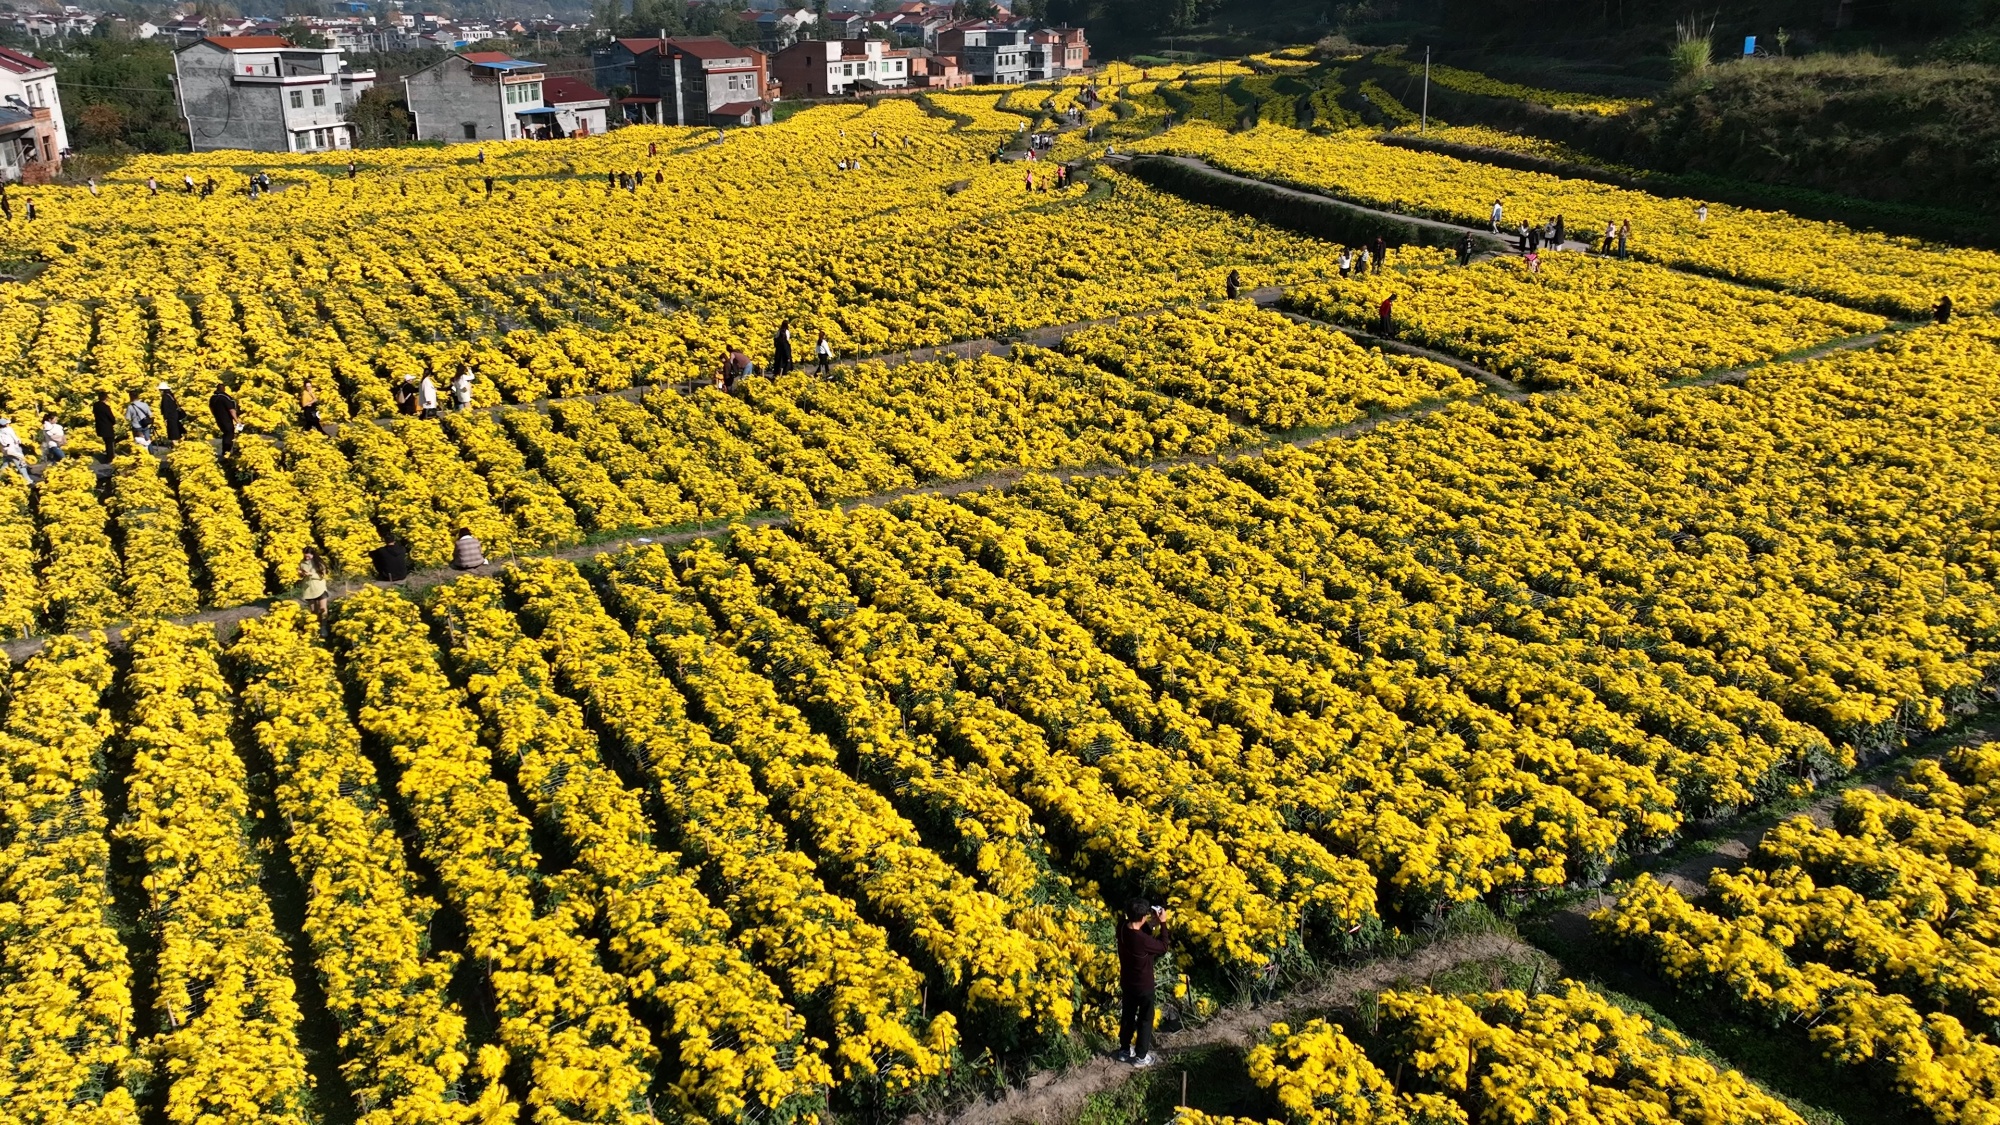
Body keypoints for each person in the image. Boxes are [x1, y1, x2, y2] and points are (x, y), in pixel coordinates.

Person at [1117, 901, 1170, 1067]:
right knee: (1145, 1019)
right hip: (1143, 986)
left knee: (1127, 1015)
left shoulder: (1122, 927)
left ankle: (1124, 1051)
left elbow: (1139, 930)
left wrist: (1150, 924)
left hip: (1127, 982)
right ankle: (1141, 1057)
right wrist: (1163, 923)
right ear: (1142, 916)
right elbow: (1163, 947)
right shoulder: (1141, 940)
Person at [299, 548, 330, 625]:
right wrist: (301, 574)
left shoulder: (319, 563)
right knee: (313, 611)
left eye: (308, 556)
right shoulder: (302, 563)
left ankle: (324, 626)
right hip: (308, 590)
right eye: (305, 556)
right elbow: (300, 576)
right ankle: (315, 627)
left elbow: (322, 576)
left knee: (322, 608)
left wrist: (311, 574)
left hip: (320, 588)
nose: (306, 558)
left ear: (313, 554)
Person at [209, 384, 240, 454]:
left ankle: (225, 451)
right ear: (224, 389)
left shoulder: (213, 397)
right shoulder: (225, 398)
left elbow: (211, 408)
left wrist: (215, 415)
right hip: (227, 419)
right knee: (229, 434)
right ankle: (227, 452)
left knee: (226, 433)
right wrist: (237, 421)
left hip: (219, 419)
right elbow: (231, 410)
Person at [0, 418, 29, 486]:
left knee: (5, 465)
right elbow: (16, 439)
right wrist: (19, 442)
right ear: (5, 424)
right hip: (13, 449)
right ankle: (28, 480)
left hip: (5, 450)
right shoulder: (8, 429)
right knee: (20, 464)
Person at [93, 390, 117, 461]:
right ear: (106, 398)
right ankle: (110, 457)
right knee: (110, 442)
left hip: (100, 426)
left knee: (106, 441)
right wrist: (114, 422)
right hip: (107, 427)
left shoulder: (96, 405)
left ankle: (108, 455)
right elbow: (111, 417)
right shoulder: (106, 407)